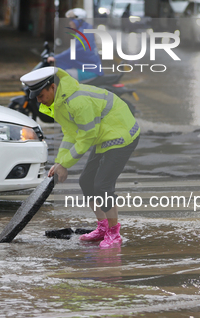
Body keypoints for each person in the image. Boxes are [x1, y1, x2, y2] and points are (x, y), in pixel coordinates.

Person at [20, 66, 140, 248]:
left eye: (40, 95)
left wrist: (66, 164)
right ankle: (103, 228)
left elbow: (86, 137)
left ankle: (114, 234)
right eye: (35, 97)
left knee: (102, 185)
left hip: (121, 134)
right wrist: (60, 162)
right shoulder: (61, 102)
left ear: (52, 87)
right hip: (104, 134)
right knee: (86, 181)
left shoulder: (77, 101)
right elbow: (70, 134)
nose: (38, 100)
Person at [48, 8, 103, 82]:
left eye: (71, 20)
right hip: (89, 68)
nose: (70, 23)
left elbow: (73, 51)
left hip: (90, 71)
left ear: (78, 21)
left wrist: (55, 58)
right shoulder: (85, 29)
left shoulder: (83, 33)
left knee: (63, 77)